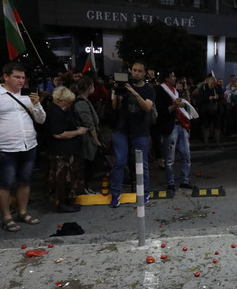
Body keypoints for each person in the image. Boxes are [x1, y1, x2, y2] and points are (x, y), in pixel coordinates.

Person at [0, 62, 47, 231]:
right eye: (17, 77)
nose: (21, 80)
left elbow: (41, 119)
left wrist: (37, 105)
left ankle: (22, 212)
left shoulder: (27, 96)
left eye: (23, 77)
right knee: (5, 183)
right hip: (6, 148)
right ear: (5, 76)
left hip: (29, 145)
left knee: (24, 181)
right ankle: (7, 217)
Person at [109, 61, 156, 207]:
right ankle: (115, 194)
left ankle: (144, 192)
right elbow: (115, 107)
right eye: (134, 70)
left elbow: (147, 107)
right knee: (119, 162)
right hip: (122, 129)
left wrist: (135, 93)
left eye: (139, 71)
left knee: (142, 164)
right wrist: (116, 92)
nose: (136, 73)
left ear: (144, 73)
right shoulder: (124, 86)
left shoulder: (149, 89)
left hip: (140, 130)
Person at [44, 86, 86, 211]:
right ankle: (61, 202)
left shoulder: (62, 110)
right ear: (61, 101)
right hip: (59, 151)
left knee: (69, 177)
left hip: (68, 149)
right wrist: (78, 132)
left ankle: (68, 200)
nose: (69, 105)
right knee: (61, 179)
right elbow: (59, 133)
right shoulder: (54, 112)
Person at [156, 69, 197, 191]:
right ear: (167, 78)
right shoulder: (161, 90)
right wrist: (174, 106)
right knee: (170, 158)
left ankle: (185, 180)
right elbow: (162, 111)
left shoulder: (175, 91)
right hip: (171, 126)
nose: (175, 78)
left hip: (181, 125)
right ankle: (170, 182)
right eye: (173, 76)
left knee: (186, 154)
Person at [71, 76, 104, 193]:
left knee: (90, 164)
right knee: (89, 164)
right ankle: (83, 187)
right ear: (89, 87)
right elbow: (89, 124)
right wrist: (96, 140)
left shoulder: (85, 101)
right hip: (87, 139)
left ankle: (85, 186)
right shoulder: (81, 103)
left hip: (88, 137)